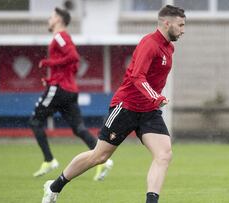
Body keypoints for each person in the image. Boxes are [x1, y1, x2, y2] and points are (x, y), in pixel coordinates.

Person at [41, 5, 186, 203]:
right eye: (180, 25)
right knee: (99, 156)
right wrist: (156, 97)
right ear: (167, 23)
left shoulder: (169, 47)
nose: (183, 30)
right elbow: (137, 76)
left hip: (149, 110)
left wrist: (154, 99)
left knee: (164, 154)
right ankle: (54, 186)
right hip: (125, 107)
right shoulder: (149, 43)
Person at [29, 7, 113, 181]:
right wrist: (56, 76)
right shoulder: (65, 38)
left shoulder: (59, 36)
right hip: (69, 89)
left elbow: (74, 57)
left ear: (59, 20)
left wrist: (49, 63)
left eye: (52, 16)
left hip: (59, 88)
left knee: (35, 121)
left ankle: (49, 160)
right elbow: (72, 66)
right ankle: (103, 160)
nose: (49, 19)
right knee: (79, 128)